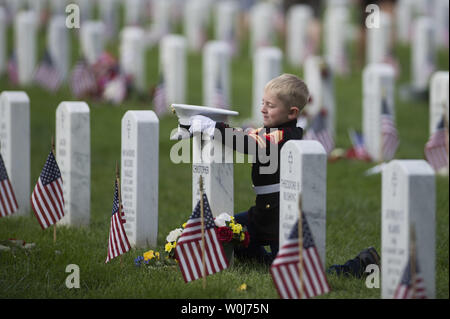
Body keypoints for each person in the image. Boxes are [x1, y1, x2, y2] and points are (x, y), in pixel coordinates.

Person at [189, 73, 307, 265]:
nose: (263, 109)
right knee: (222, 231)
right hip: (262, 212)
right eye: (263, 103)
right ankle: (261, 258)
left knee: (295, 269)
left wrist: (214, 129)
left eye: (271, 105)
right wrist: (202, 128)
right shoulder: (271, 131)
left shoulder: (286, 135)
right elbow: (245, 133)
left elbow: (249, 143)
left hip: (281, 217)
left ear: (292, 113)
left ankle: (355, 265)